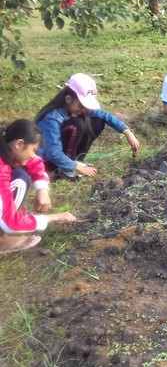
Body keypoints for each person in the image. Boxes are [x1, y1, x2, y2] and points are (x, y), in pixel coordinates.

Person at [35, 73, 140, 181]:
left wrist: (126, 131)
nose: (84, 110)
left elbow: (103, 115)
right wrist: (78, 168)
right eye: (81, 106)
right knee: (77, 125)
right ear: (68, 99)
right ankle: (65, 168)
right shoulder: (52, 118)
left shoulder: (74, 108)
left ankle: (76, 160)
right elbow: (53, 153)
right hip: (47, 160)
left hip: (60, 153)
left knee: (98, 121)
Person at [0, 119, 76, 254]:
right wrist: (54, 217)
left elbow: (35, 162)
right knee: (20, 179)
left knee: (20, 172)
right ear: (19, 144)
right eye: (33, 150)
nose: (32, 155)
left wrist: (42, 190)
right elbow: (12, 223)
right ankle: (1, 240)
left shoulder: (6, 149)